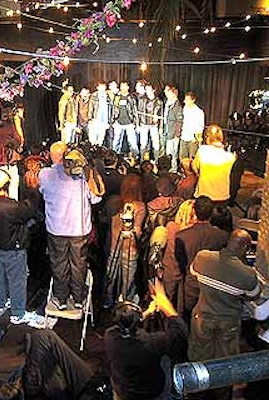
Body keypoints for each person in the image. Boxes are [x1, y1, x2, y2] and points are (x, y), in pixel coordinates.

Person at [188, 229, 260, 400]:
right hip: (229, 321)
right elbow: (254, 294)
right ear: (244, 248)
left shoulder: (203, 257)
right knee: (225, 360)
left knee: (199, 355)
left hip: (202, 318)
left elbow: (193, 274)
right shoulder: (247, 275)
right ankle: (221, 393)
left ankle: (197, 391)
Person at [0, 169, 45, 327]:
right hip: (13, 248)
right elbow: (32, 210)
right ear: (7, 185)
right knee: (17, 281)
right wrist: (33, 189)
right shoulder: (12, 207)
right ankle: (18, 314)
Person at [39, 141, 103, 311]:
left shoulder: (44, 174)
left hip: (56, 229)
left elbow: (42, 192)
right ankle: (78, 299)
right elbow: (97, 198)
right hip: (78, 229)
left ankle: (60, 299)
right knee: (79, 264)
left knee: (59, 264)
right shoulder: (82, 175)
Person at [104, 281, 188, 400]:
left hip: (123, 389)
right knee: (168, 361)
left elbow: (128, 326)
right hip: (150, 392)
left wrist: (148, 312)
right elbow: (180, 332)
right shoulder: (152, 343)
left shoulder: (109, 336)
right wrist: (164, 303)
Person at [175, 195, 229, 319]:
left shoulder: (182, 236)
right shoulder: (222, 236)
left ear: (194, 211)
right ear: (211, 213)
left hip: (191, 286)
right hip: (213, 285)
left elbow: (181, 263)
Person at [105, 175, 147, 305]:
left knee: (110, 275)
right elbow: (138, 230)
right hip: (130, 248)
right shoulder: (140, 207)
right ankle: (126, 302)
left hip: (114, 245)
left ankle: (107, 300)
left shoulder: (113, 203)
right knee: (128, 279)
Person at [192, 124, 236, 203]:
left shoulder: (202, 151)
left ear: (208, 137)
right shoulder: (231, 157)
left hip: (204, 196)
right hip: (223, 197)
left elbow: (194, 168)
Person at [112, 81, 138, 157]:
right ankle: (115, 157)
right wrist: (113, 120)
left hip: (129, 123)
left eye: (124, 86)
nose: (122, 88)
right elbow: (114, 109)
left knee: (132, 142)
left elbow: (135, 110)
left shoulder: (131, 97)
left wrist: (135, 122)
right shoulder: (117, 97)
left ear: (128, 87)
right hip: (118, 122)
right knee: (116, 141)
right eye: (121, 86)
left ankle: (135, 157)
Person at [138, 83, 163, 161]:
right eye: (146, 89)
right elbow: (138, 112)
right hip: (144, 124)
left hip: (154, 125)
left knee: (156, 144)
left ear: (153, 90)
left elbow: (161, 115)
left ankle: (156, 161)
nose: (147, 91)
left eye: (149, 89)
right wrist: (138, 124)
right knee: (143, 144)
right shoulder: (142, 99)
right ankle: (142, 161)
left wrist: (160, 126)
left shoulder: (159, 101)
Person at [163, 85, 183, 172]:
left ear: (172, 93)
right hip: (168, 131)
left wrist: (176, 134)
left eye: (167, 91)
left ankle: (173, 169)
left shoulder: (177, 106)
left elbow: (179, 121)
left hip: (173, 133)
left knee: (173, 153)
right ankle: (168, 168)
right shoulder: (168, 103)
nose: (165, 93)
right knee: (168, 152)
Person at [179, 92, 204, 160]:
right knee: (182, 157)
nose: (185, 101)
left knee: (192, 158)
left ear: (193, 100)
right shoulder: (185, 108)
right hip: (184, 136)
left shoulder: (198, 112)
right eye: (185, 99)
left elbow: (200, 127)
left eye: (187, 99)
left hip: (192, 139)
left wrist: (196, 139)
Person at [88, 82, 110, 146]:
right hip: (95, 119)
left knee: (101, 139)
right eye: (100, 87)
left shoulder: (107, 96)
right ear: (97, 88)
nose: (102, 88)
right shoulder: (94, 96)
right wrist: (90, 118)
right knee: (92, 139)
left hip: (104, 121)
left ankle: (99, 151)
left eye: (104, 87)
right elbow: (90, 107)